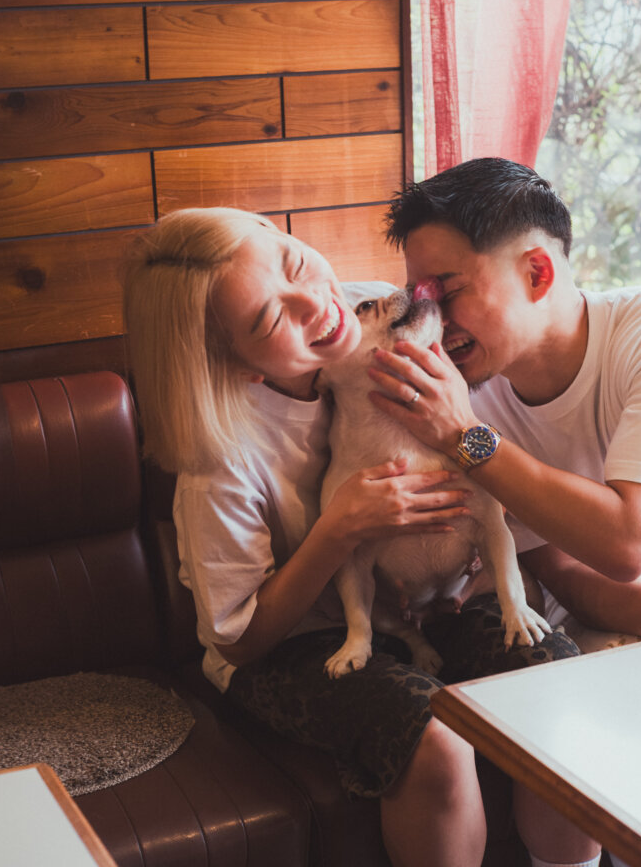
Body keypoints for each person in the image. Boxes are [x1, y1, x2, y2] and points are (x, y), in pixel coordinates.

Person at [123, 205, 600, 867]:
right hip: (285, 645)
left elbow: (480, 434)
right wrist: (340, 529)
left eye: (295, 264)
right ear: (237, 362)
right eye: (270, 320)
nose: (315, 305)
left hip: (424, 596)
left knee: (554, 680)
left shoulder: (371, 310)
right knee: (432, 735)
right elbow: (237, 639)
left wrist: (465, 439)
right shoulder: (221, 462)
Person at [370, 156, 641, 649]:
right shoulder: (455, 390)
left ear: (537, 273)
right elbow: (568, 577)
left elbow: (629, 543)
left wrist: (464, 436)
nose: (435, 319)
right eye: (421, 298)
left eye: (449, 291)